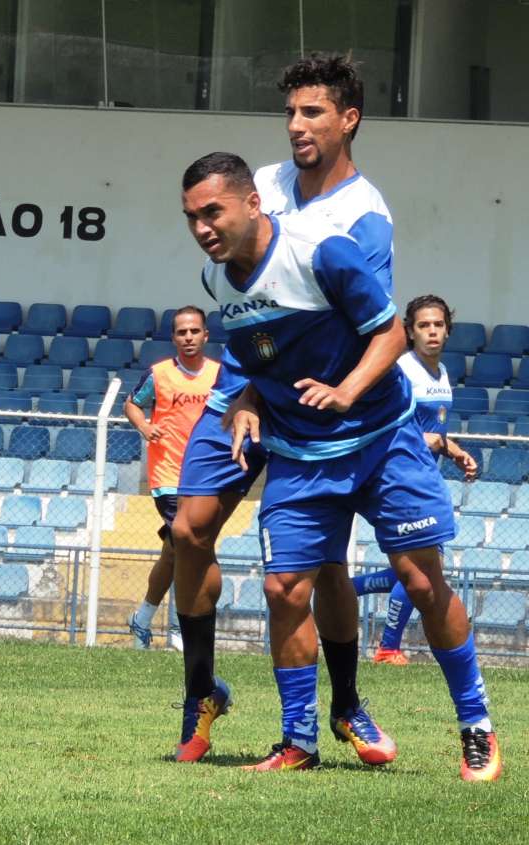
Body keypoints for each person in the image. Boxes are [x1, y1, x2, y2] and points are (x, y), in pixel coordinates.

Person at [181, 151, 500, 782]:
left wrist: (347, 391)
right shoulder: (218, 281)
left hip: (380, 438)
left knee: (422, 583)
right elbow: (259, 354)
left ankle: (477, 727)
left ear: (252, 204)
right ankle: (298, 739)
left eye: (213, 212)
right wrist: (245, 399)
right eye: (191, 217)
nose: (202, 228)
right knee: (282, 589)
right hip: (300, 454)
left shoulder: (321, 251)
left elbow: (390, 334)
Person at [169, 53, 394, 766]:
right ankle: (201, 690)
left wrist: (327, 393)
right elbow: (236, 293)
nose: (296, 125)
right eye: (291, 112)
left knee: (320, 565)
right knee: (188, 526)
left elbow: (365, 322)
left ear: (348, 119)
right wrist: (242, 392)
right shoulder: (258, 183)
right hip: (244, 391)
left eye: (312, 112)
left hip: (312, 406)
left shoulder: (364, 216)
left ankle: (347, 706)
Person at [353, 295, 478, 665]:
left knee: (413, 572)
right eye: (424, 325)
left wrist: (454, 449)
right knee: (424, 571)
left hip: (425, 479)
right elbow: (394, 430)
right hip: (401, 479)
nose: (432, 331)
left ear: (448, 330)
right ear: (409, 331)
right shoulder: (403, 370)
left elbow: (433, 430)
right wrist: (444, 445)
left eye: (438, 324)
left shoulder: (441, 376)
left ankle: (348, 591)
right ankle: (388, 647)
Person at [125, 307, 220, 651]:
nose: (189, 337)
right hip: (167, 477)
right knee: (193, 546)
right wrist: (146, 427)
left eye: (195, 331)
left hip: (204, 477)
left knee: (175, 552)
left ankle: (142, 618)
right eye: (182, 332)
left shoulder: (219, 375)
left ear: (206, 335)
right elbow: (133, 404)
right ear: (174, 338)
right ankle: (184, 626)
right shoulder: (160, 374)